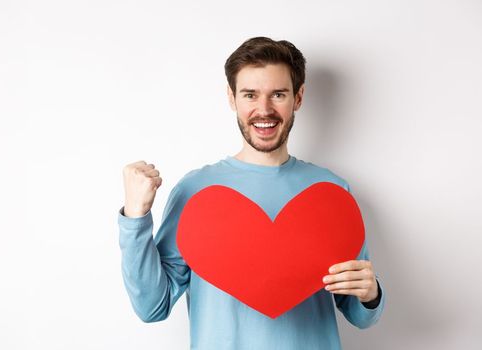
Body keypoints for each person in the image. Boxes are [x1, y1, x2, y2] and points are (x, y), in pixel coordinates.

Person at [118, 37, 384, 349]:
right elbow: (152, 306)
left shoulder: (331, 192)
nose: (264, 110)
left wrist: (371, 293)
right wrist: (136, 217)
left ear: (298, 97)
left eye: (279, 94)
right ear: (232, 98)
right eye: (250, 95)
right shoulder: (195, 191)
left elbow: (361, 316)